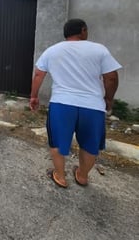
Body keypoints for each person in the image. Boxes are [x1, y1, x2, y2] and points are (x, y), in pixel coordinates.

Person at [29, 19, 121, 188]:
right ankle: (82, 176)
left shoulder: (53, 50)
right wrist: (108, 99)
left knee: (57, 142)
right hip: (93, 106)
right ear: (83, 30)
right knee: (89, 144)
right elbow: (111, 77)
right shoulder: (99, 49)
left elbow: (38, 75)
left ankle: (60, 176)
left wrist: (34, 97)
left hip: (62, 104)